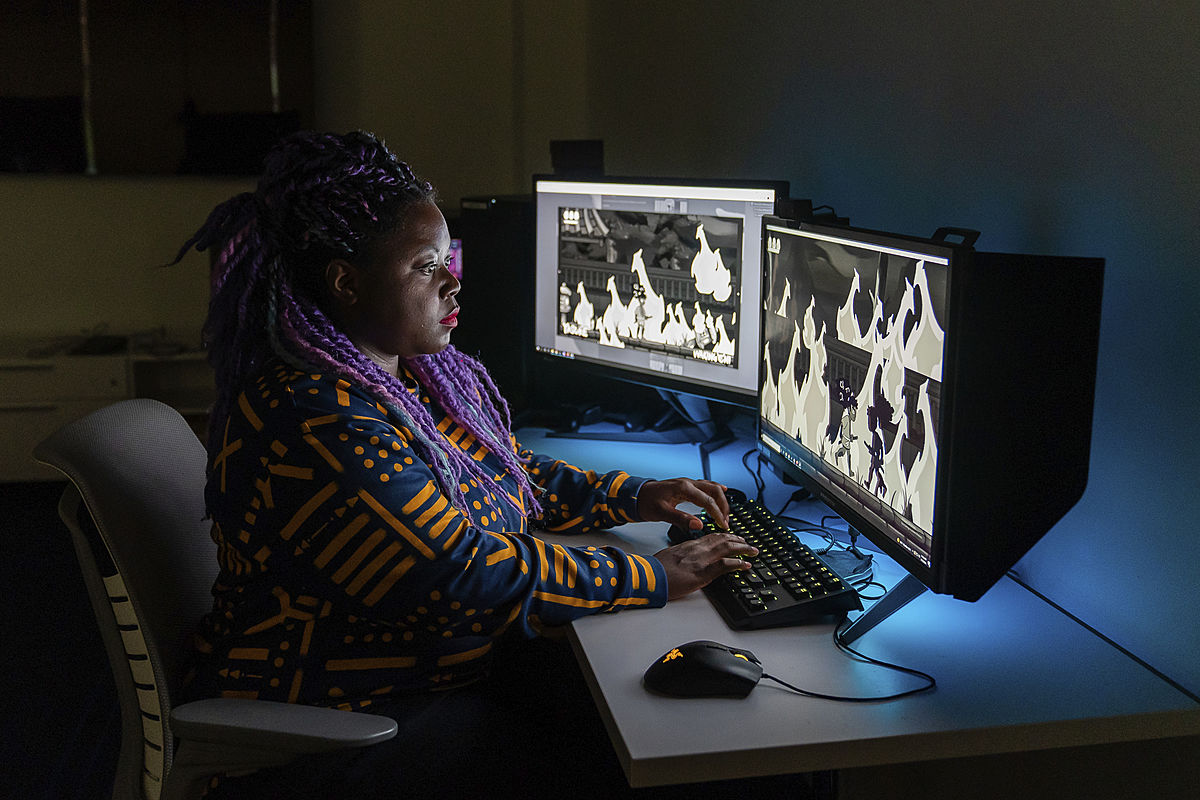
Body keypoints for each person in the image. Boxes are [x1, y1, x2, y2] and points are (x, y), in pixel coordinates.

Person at [169, 130, 808, 799]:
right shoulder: (315, 417)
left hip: (422, 678)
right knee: (649, 754)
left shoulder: (399, 377)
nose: (453, 281)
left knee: (681, 729)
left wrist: (633, 496)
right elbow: (457, 573)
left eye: (450, 259)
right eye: (425, 266)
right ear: (345, 282)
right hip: (337, 721)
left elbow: (504, 471)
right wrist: (648, 573)